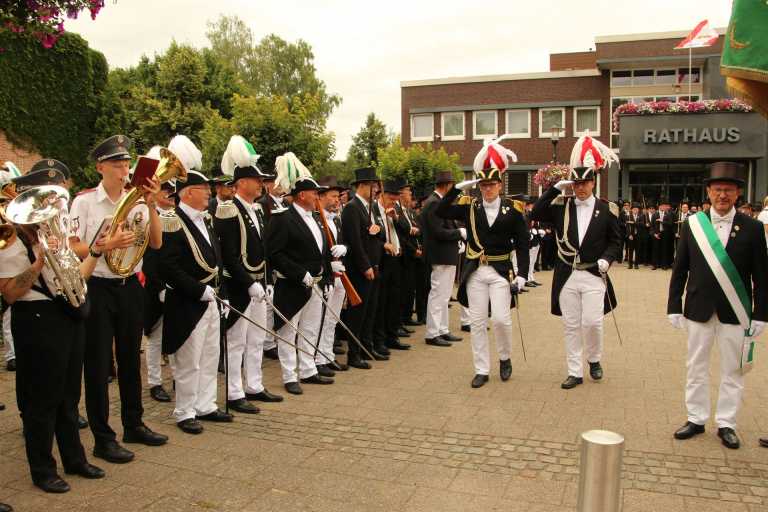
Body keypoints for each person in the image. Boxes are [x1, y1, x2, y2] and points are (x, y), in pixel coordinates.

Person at [0, 167, 104, 494]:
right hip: (35, 319)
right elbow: (10, 293)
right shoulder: (11, 239)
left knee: (69, 395)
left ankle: (75, 458)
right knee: (41, 400)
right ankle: (43, 469)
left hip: (66, 315)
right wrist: (38, 263)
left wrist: (92, 253)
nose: (53, 207)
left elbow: (74, 276)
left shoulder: (54, 232)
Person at [68, 135, 168, 464]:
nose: (124, 170)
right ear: (100, 167)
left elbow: (156, 243)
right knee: (98, 364)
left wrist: (151, 204)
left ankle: (133, 424)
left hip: (130, 286)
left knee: (130, 359)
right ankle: (103, 438)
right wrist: (105, 245)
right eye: (117, 164)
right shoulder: (84, 201)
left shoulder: (136, 200)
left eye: (126, 164)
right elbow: (72, 246)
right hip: (97, 285)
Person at [668, 162, 767, 450]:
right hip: (698, 308)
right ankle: (696, 418)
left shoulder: (753, 228)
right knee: (695, 366)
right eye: (718, 189)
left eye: (729, 190)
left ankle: (727, 423)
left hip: (735, 311)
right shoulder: (693, 224)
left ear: (738, 194)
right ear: (709, 192)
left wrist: (761, 314)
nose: (722, 195)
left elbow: (762, 275)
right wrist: (673, 305)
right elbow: (680, 268)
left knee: (733, 370)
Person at [435, 138, 529, 388]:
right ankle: (481, 369)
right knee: (477, 322)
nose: (487, 189)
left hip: (500, 272)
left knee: (501, 320)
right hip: (476, 270)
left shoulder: (513, 209)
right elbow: (440, 211)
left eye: (491, 185)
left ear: (500, 185)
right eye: (483, 185)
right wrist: (456, 189)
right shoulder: (470, 206)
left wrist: (522, 274)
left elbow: (522, 243)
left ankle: (505, 358)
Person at [531, 134, 622, 389]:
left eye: (585, 183)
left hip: (594, 273)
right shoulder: (562, 206)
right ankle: (574, 371)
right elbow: (536, 212)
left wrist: (607, 259)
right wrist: (554, 189)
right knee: (571, 325)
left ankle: (594, 359)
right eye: (577, 183)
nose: (581, 188)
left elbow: (616, 241)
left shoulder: (607, 209)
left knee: (592, 322)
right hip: (567, 273)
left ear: (593, 183)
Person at [161, 161, 233, 434]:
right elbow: (168, 266)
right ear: (188, 192)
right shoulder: (172, 221)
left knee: (211, 355)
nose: (209, 193)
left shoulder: (207, 219)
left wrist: (223, 294)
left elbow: (217, 261)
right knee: (189, 360)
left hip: (212, 298)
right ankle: (185, 411)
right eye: (204, 189)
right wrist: (197, 289)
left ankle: (206, 404)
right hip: (188, 301)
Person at [214, 136, 283, 413]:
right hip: (239, 286)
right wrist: (248, 283)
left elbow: (263, 251)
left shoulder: (257, 211)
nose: (261, 184)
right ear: (241, 183)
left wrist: (266, 280)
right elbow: (229, 255)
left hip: (258, 283)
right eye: (256, 180)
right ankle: (234, 393)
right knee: (236, 342)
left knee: (256, 338)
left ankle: (254, 385)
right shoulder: (228, 210)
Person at [266, 159, 334, 394]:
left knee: (310, 329)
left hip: (316, 283)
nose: (317, 197)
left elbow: (320, 251)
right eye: (314, 193)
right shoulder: (282, 218)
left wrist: (327, 276)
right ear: (302, 195)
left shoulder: (315, 218)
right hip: (292, 284)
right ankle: (289, 376)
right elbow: (275, 253)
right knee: (288, 331)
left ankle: (308, 370)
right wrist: (298, 273)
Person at [340, 167, 386, 368]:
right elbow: (355, 241)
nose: (375, 190)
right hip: (360, 269)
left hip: (374, 265)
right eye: (372, 186)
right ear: (362, 186)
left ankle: (367, 347)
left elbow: (378, 232)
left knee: (370, 311)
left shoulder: (370, 207)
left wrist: (378, 229)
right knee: (357, 314)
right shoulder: (352, 208)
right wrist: (365, 266)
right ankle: (354, 353)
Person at [142, 152, 175, 404]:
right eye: (166, 192)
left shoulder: (177, 216)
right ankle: (155, 381)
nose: (170, 197)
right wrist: (160, 286)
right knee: (155, 337)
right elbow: (150, 258)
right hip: (156, 287)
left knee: (176, 335)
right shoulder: (148, 215)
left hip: (177, 286)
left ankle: (177, 377)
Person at [419, 170, 465, 347]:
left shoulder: (438, 202)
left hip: (446, 254)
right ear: (446, 186)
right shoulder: (434, 203)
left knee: (444, 295)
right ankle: (432, 332)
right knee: (438, 295)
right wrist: (459, 232)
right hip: (440, 254)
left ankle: (442, 329)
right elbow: (438, 232)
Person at [314, 175, 350, 374]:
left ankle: (327, 355)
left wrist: (344, 248)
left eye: (338, 197)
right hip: (325, 277)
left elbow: (344, 242)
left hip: (339, 276)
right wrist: (328, 265)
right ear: (320, 196)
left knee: (332, 319)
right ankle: (317, 359)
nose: (337, 200)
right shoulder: (315, 220)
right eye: (333, 196)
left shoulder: (336, 219)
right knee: (319, 320)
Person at [372, 179, 411, 354]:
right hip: (382, 261)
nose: (393, 201)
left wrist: (395, 218)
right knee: (382, 302)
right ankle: (379, 340)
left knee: (395, 301)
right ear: (382, 195)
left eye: (396, 198)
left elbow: (407, 230)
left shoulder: (395, 210)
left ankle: (392, 336)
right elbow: (370, 237)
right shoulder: (373, 211)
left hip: (397, 261)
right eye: (391, 198)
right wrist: (383, 245)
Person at [257, 169, 283, 361]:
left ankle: (273, 339)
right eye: (276, 181)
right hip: (269, 259)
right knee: (268, 304)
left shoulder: (284, 203)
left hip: (280, 258)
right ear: (268, 184)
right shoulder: (262, 204)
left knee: (276, 303)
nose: (280, 185)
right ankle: (268, 343)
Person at [625, 204, 640, 269]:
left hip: (638, 235)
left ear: (638, 210)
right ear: (632, 210)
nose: (635, 210)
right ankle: (630, 264)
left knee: (637, 251)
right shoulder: (628, 216)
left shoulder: (641, 216)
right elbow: (627, 227)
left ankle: (636, 264)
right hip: (631, 235)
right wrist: (629, 235)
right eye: (634, 209)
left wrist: (634, 223)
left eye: (636, 209)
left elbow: (641, 224)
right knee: (630, 250)